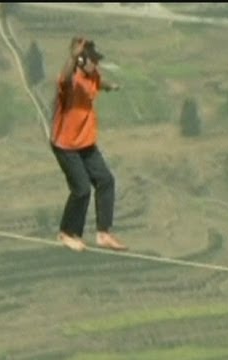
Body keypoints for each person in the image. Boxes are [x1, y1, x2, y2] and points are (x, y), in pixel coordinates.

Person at [50, 36, 128, 252]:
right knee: (82, 189)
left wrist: (109, 86)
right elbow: (64, 78)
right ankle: (66, 233)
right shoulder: (70, 81)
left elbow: (96, 83)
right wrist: (73, 57)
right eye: (93, 59)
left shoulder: (91, 75)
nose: (97, 63)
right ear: (81, 61)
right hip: (65, 145)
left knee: (106, 180)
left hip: (85, 143)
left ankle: (104, 233)